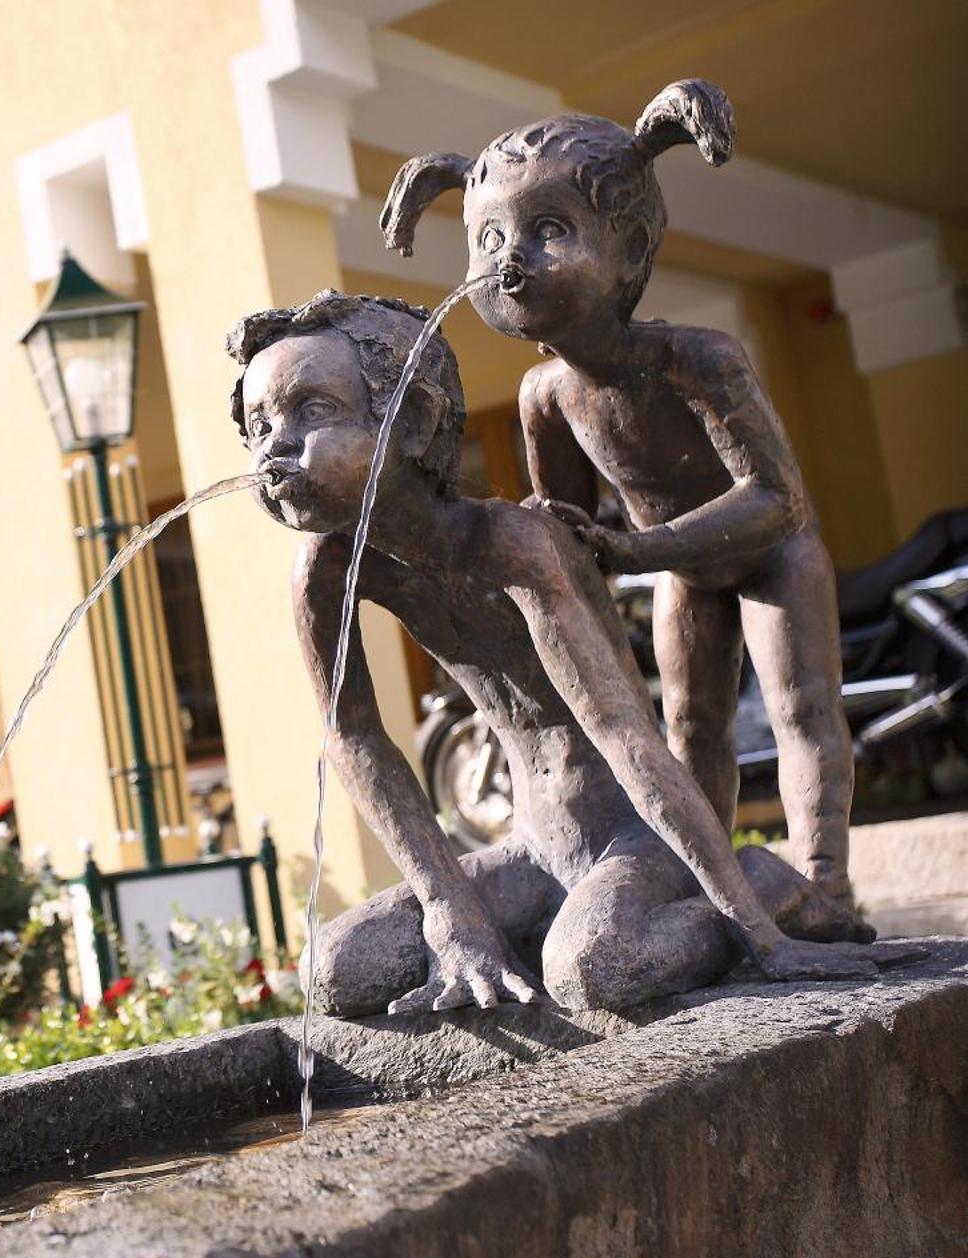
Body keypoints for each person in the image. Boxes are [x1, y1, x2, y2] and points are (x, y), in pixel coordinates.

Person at [228, 291, 909, 1015]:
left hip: (636, 837)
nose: (274, 445)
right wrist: (448, 907)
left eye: (313, 411)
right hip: (534, 848)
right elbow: (355, 735)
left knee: (592, 969)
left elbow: (625, 735)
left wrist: (764, 938)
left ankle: (760, 890)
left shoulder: (514, 546)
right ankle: (555, 922)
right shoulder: (326, 571)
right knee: (337, 969)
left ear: (416, 420)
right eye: (259, 425)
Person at [378, 79, 855, 904]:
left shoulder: (699, 360)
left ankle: (825, 885)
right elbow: (567, 530)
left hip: (772, 557)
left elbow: (777, 499)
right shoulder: (545, 397)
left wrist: (640, 549)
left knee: (803, 709)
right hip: (680, 572)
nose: (508, 260)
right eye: (489, 238)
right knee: (690, 728)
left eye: (548, 230)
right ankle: (710, 894)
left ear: (630, 247)